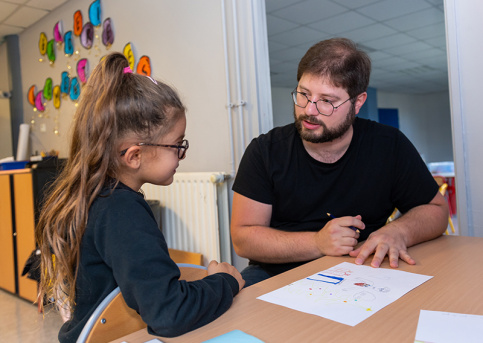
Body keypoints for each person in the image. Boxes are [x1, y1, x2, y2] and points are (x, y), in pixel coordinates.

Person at [36, 52, 244, 342]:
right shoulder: (121, 210)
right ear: (134, 155)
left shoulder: (98, 198)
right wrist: (225, 281)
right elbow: (169, 313)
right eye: (177, 145)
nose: (183, 153)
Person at [231, 38, 448, 287]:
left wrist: (398, 231)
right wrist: (317, 242)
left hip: (363, 268)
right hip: (277, 273)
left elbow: (437, 210)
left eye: (327, 101)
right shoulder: (264, 151)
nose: (310, 110)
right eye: (303, 94)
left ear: (357, 103)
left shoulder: (389, 145)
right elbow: (243, 238)